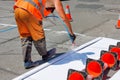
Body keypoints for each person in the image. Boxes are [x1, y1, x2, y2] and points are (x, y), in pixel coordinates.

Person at [13, 0, 76, 69]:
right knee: (38, 36)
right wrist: (71, 33)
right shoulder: (56, 1)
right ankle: (45, 55)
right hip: (30, 11)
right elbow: (64, 18)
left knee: (25, 36)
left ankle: (27, 62)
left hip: (18, 9)